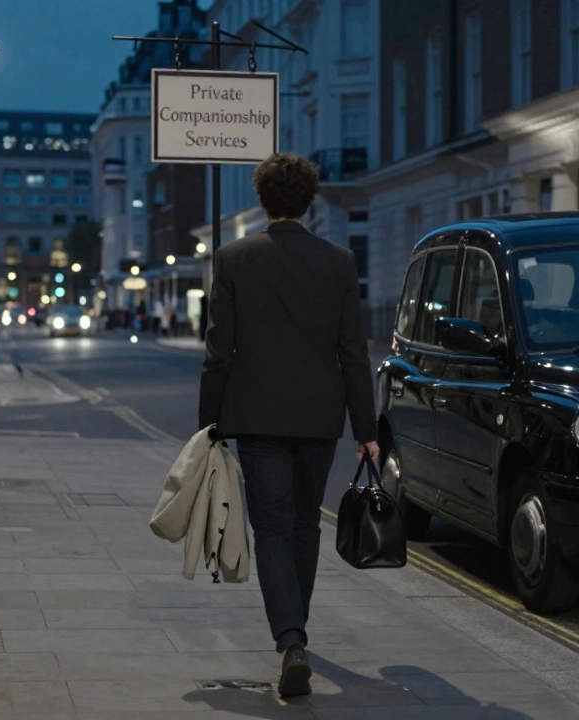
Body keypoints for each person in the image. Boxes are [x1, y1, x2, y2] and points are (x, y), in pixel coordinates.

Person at [198, 152, 377, 698]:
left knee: (271, 528)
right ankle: (297, 630)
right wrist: (366, 429)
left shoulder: (233, 259)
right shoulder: (339, 261)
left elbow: (218, 352)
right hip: (320, 416)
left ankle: (291, 640)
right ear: (309, 200)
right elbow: (353, 352)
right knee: (304, 526)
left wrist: (209, 423)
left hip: (256, 416)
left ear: (262, 200)